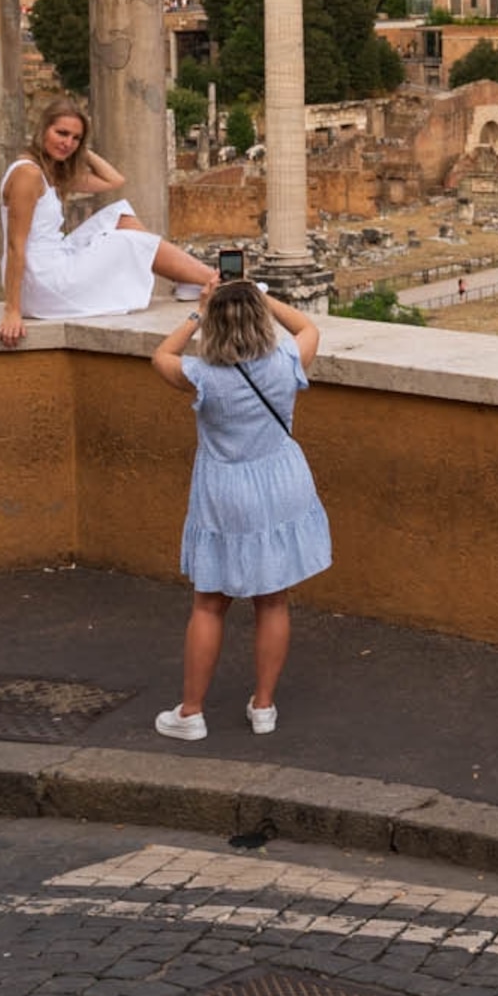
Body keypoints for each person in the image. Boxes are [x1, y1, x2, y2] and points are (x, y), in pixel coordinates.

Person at [149, 280, 329, 740]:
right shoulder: (286, 362)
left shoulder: (202, 376)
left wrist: (199, 312)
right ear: (259, 319)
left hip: (226, 489)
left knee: (210, 603)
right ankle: (264, 706)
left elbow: (160, 356)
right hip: (281, 481)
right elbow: (308, 325)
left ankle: (191, 712)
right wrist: (260, 295)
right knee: (273, 598)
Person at [0, 98, 220, 347]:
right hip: (42, 280)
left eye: (75, 138)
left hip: (53, 259)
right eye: (61, 133)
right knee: (129, 241)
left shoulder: (50, 171)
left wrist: (80, 151)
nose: (67, 143)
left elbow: (114, 180)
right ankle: (217, 281)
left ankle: (190, 280)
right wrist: (12, 311)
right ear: (42, 130)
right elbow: (16, 245)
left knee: (120, 216)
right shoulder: (27, 174)